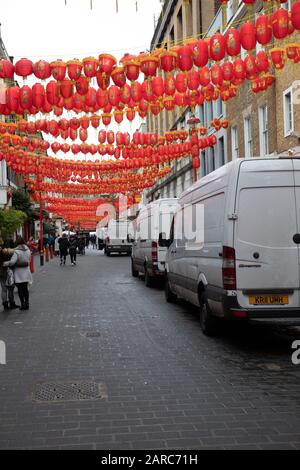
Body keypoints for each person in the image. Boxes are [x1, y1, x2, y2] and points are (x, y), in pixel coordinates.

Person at [3, 236, 32, 311]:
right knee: (25, 289)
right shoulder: (28, 250)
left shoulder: (17, 251)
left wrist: (5, 263)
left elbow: (12, 262)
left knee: (20, 289)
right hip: (26, 271)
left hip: (18, 273)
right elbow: (29, 260)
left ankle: (22, 304)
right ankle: (27, 303)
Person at [0, 240, 18, 310]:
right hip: (10, 272)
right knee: (11, 289)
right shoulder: (13, 253)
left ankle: (5, 305)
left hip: (1, 272)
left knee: (3, 289)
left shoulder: (1, 252)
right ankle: (12, 303)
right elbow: (13, 263)